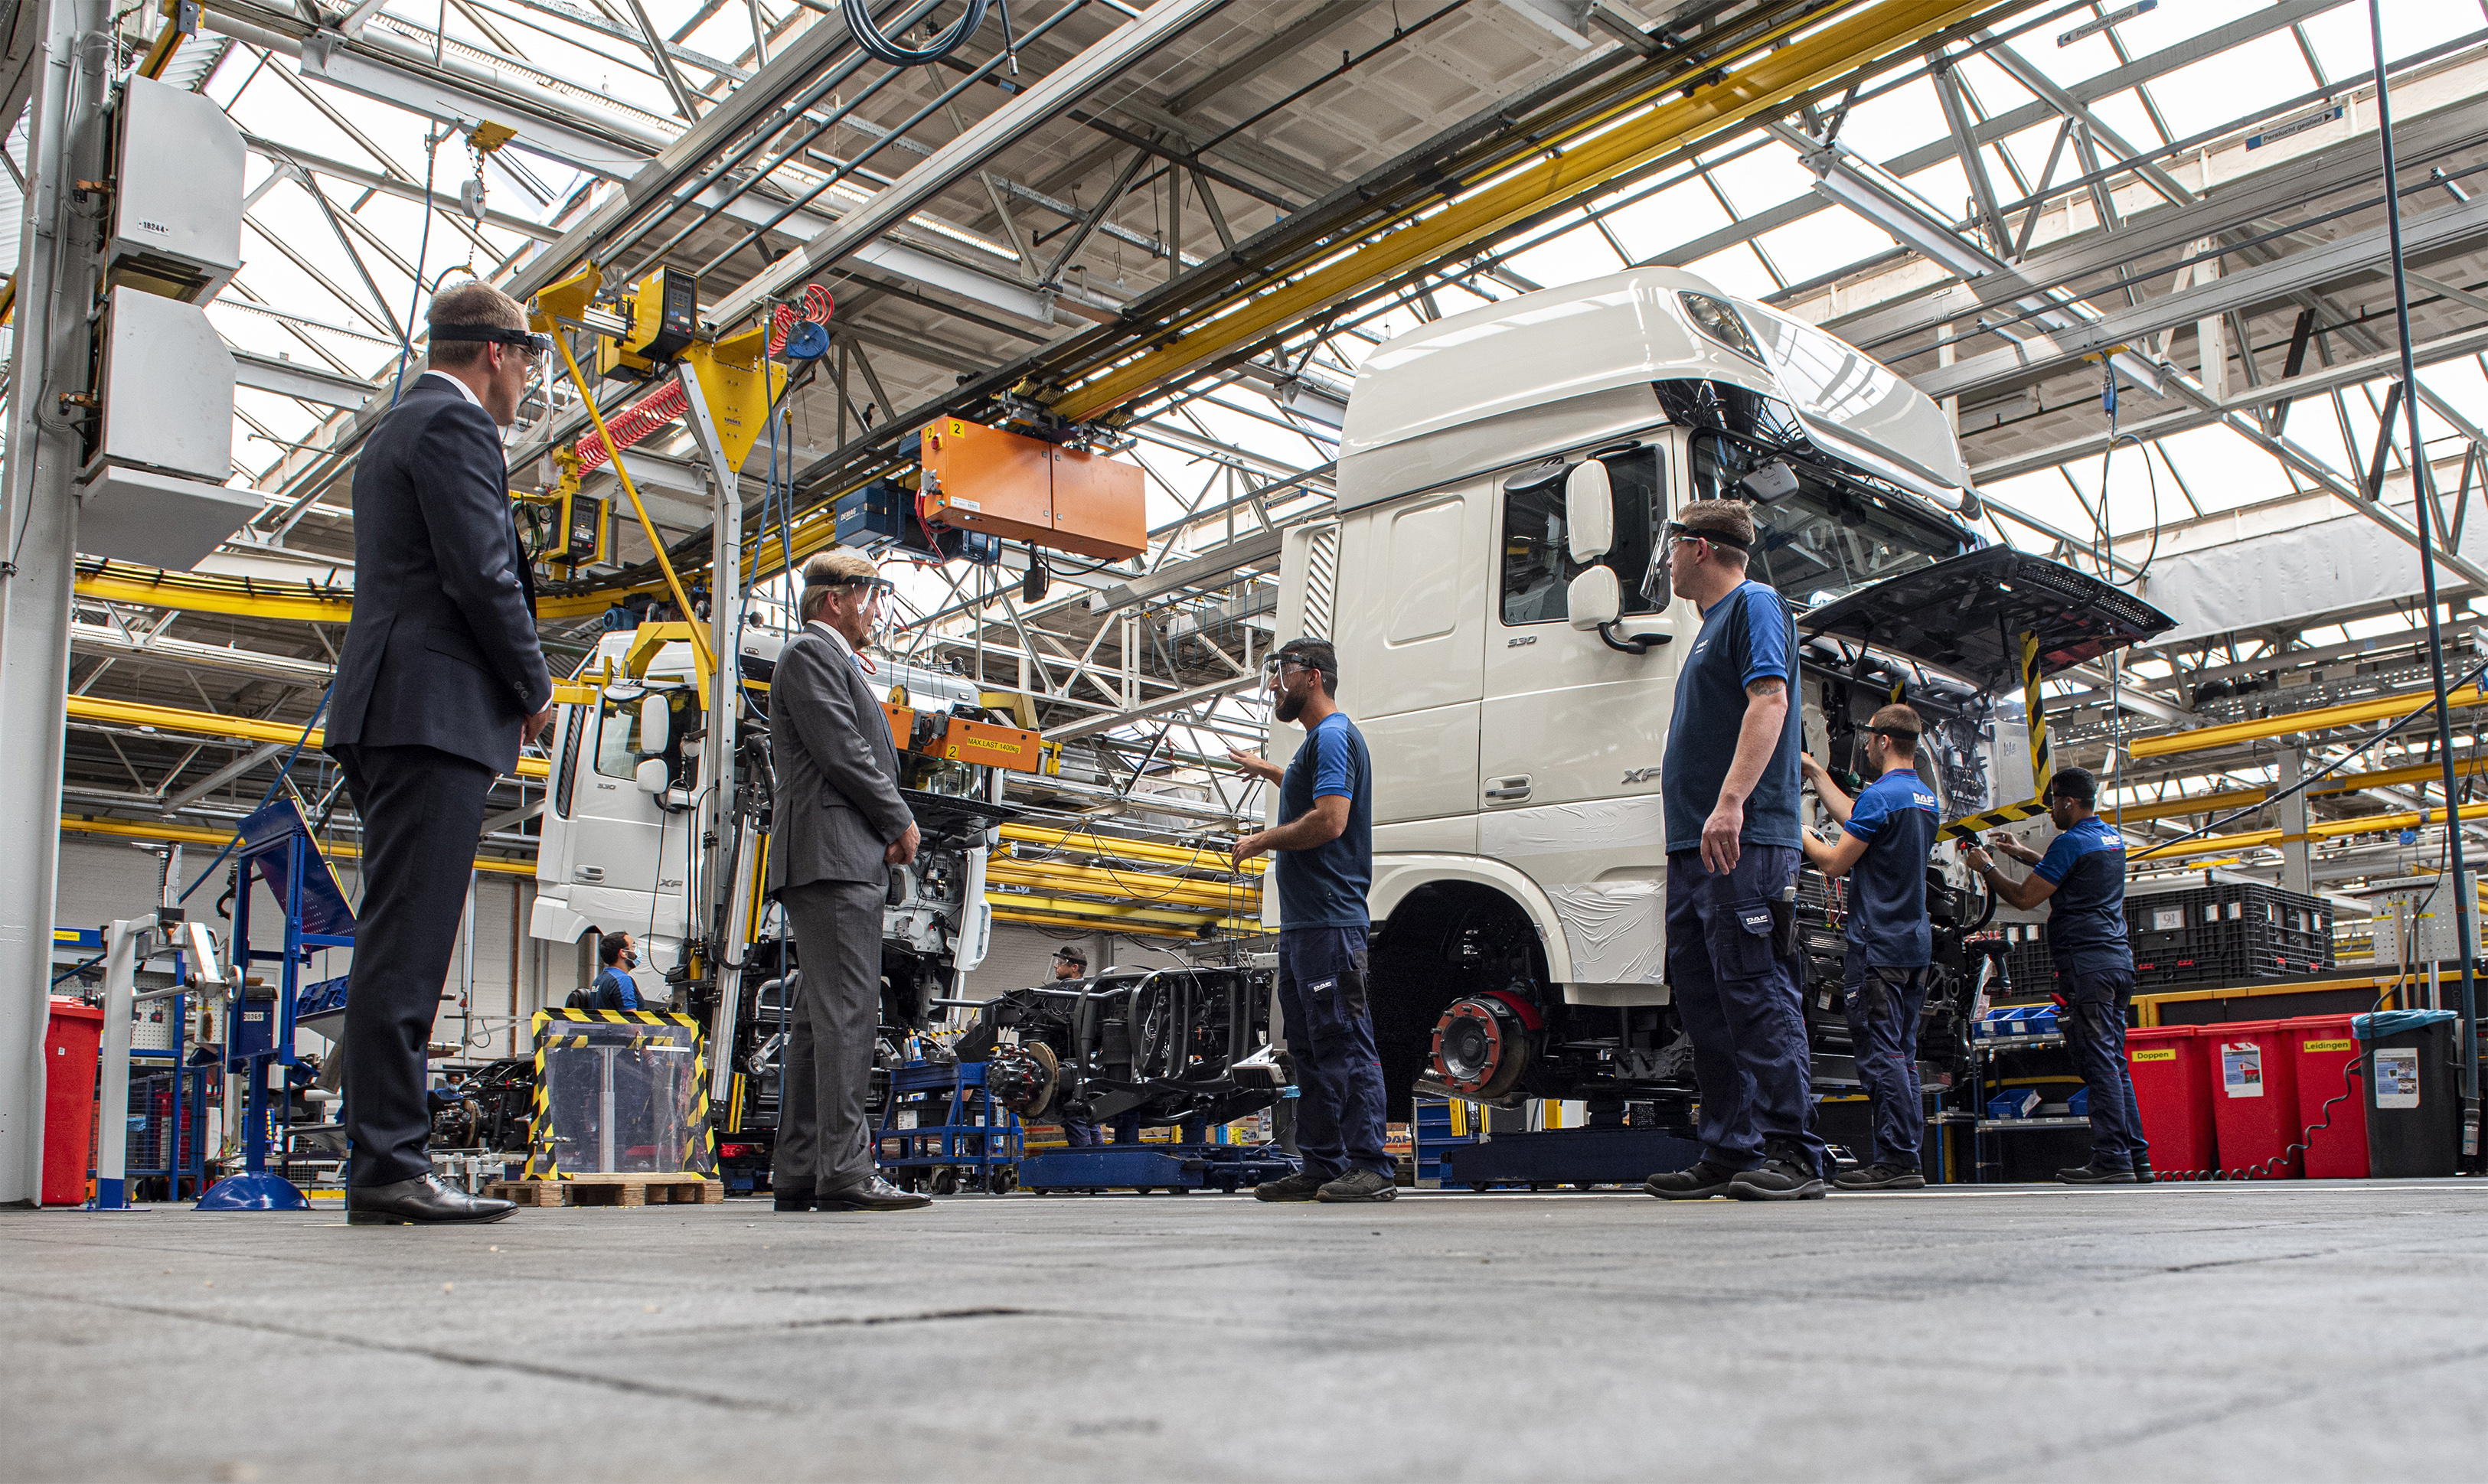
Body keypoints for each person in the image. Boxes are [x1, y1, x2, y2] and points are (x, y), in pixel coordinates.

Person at [328, 281, 553, 1227]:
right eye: (528, 359)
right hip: (429, 711)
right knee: (409, 943)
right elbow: (482, 573)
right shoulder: (457, 426)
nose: (528, 381)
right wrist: (533, 686)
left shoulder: (398, 426)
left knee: (400, 935)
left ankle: (386, 1155)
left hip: (395, 706)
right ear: (497, 351)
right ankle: (389, 1162)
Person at [1642, 499, 1826, 1202]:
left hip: (1740, 841)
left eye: (1671, 548)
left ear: (1698, 547)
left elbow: (1770, 702)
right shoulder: (1709, 627)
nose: (1667, 563)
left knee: (1756, 992)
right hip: (1695, 849)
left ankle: (1793, 1151)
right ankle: (1729, 1147)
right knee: (1706, 1004)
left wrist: (1730, 802)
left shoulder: (1754, 604)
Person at [767, 550, 930, 1214]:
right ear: (835, 599)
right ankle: (846, 1168)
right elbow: (846, 750)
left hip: (833, 855)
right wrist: (899, 819)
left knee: (817, 1021)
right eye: (872, 593)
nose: (878, 609)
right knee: (850, 1015)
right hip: (834, 857)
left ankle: (802, 1167)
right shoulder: (812, 654)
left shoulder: (831, 661)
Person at [1229, 638, 1393, 1203]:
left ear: (1314, 675)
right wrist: (1271, 770)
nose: (1276, 684)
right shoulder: (1317, 743)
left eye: (1284, 672)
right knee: (1309, 1049)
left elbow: (1330, 820)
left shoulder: (1333, 735)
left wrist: (1260, 840)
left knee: (1343, 1041)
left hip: (1329, 922)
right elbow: (1311, 791)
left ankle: (1371, 1166)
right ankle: (1322, 1164)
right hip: (1304, 926)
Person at [1964, 768, 2150, 1184]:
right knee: (2114, 1064)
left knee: (2098, 1064)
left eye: (2053, 805)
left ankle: (2113, 1160)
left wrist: (1986, 867)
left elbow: (2025, 898)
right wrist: (2021, 854)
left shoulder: (2069, 842)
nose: (2051, 813)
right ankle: (2137, 1159)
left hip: (2086, 966)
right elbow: (2069, 871)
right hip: (2116, 963)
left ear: (2068, 801)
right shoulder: (2110, 837)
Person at [1800, 705, 1939, 1192]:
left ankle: (1897, 1160)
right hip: (1913, 945)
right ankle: (1906, 1156)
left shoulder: (1881, 796)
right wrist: (1816, 773)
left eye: (1868, 737)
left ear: (1882, 741)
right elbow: (1861, 820)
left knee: (1882, 1057)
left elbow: (1835, 863)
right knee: (1902, 1055)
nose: (1863, 745)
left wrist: (1800, 833)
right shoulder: (1921, 797)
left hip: (1878, 946)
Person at [1048, 947, 1107, 1149]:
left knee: (1075, 1115)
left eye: (1060, 963)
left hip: (1071, 1068)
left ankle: (1086, 1158)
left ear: (1074, 968)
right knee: (1088, 1115)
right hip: (1087, 1067)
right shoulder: (1089, 992)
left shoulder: (1068, 995)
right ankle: (1097, 1154)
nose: (1056, 966)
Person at [589, 933, 640, 1012]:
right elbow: (631, 1016)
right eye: (633, 946)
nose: (636, 950)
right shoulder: (622, 979)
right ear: (623, 953)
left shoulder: (599, 979)